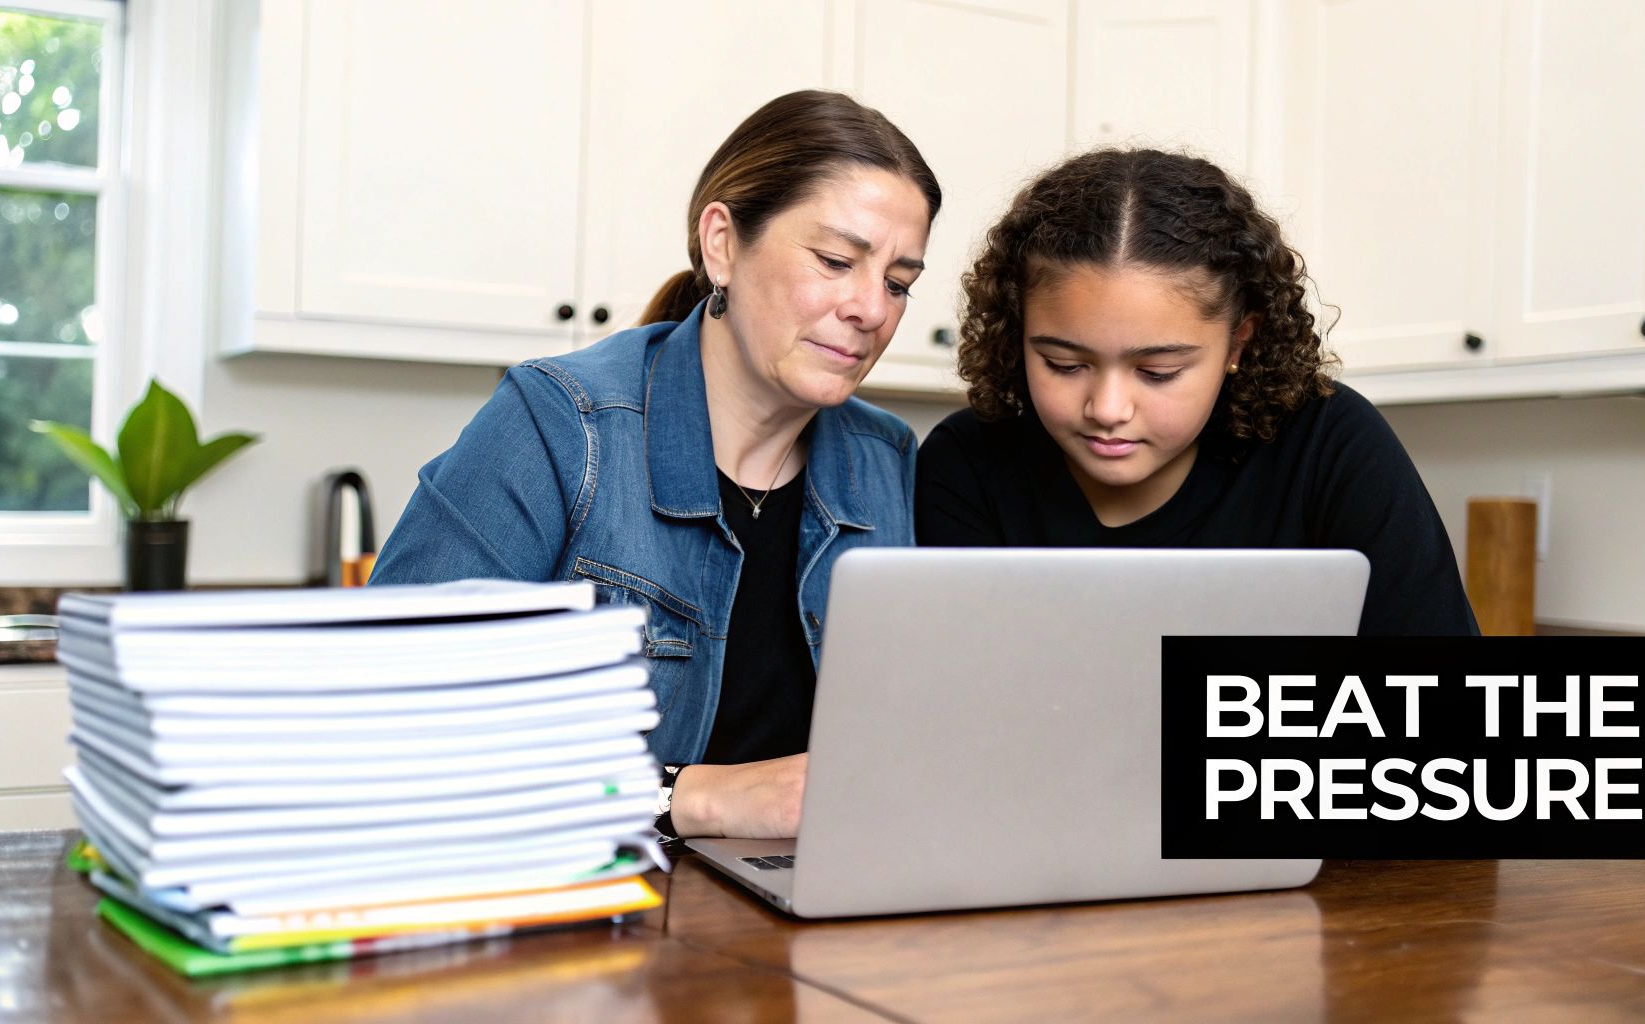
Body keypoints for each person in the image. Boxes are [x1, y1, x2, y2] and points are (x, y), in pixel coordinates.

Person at [373, 90, 942, 838]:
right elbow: (394, 718)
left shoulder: (887, 461)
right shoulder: (559, 423)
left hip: (804, 908)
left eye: (899, 283)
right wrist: (688, 796)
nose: (872, 308)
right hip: (585, 905)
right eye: (837, 261)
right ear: (722, 244)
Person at [916, 148, 1476, 635]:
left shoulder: (1330, 445)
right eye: (1063, 364)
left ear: (1238, 344)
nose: (1108, 410)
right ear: (1018, 337)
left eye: (1158, 372)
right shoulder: (968, 464)